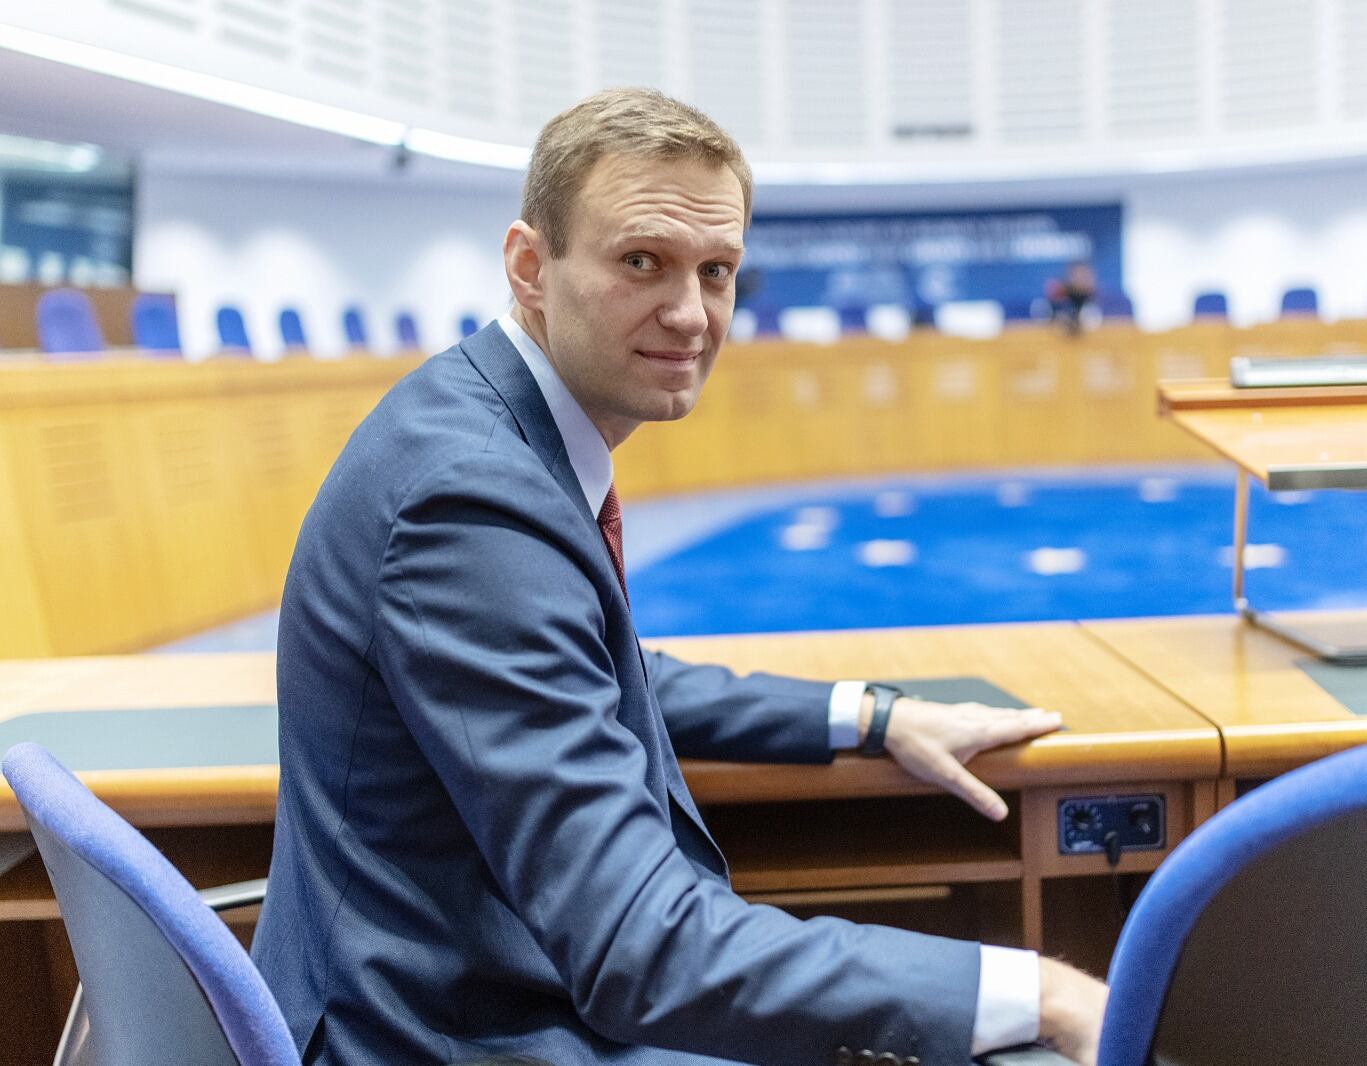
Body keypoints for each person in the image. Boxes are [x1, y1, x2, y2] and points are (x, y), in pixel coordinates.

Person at [252, 88, 1107, 1066]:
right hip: (445, 1032)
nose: (690, 313)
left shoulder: (485, 423)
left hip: (461, 982)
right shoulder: (471, 503)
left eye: (717, 270)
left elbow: (590, 670)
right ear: (530, 267)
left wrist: (868, 716)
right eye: (641, 263)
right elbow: (638, 951)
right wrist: (1026, 987)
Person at [1045, 262, 1096, 335]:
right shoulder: (1064, 291)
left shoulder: (1088, 296)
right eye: (1078, 275)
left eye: (1083, 276)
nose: (1081, 278)